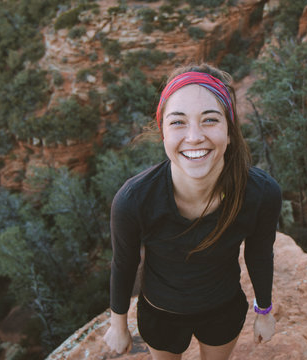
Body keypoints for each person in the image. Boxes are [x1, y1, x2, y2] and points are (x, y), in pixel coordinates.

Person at [103, 63, 282, 360]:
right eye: (178, 122)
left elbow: (259, 253)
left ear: (229, 130)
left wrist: (264, 311)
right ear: (162, 132)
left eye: (210, 120)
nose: (195, 136)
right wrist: (117, 324)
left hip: (222, 309)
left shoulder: (260, 193)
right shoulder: (134, 201)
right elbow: (124, 263)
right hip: (161, 314)